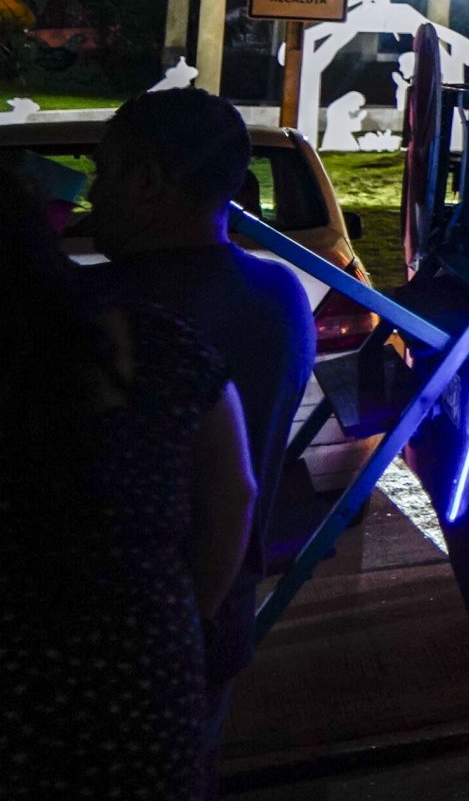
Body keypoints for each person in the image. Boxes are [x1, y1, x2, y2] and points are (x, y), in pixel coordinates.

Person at [0, 168, 257, 798]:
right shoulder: (153, 344)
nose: (93, 195)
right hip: (140, 678)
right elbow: (236, 493)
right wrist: (180, 615)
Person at [82, 89, 317, 774]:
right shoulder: (280, 297)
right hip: (220, 619)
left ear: (147, 181)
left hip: (104, 636)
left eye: (103, 171)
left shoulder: (111, 315)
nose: (92, 193)